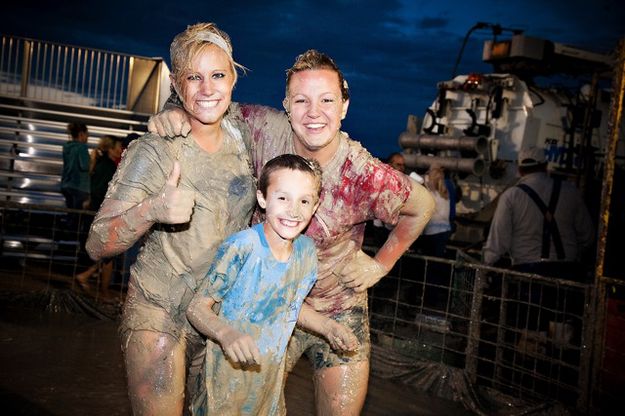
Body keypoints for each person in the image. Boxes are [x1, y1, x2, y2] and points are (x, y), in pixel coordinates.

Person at [149, 49, 435, 414]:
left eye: (327, 100)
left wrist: (381, 264)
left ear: (344, 106)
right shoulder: (263, 127)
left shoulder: (362, 173)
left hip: (336, 305)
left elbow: (423, 206)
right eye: (301, 100)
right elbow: (206, 99)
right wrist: (174, 108)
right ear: (286, 104)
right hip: (265, 302)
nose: (314, 113)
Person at [85, 23, 257, 415]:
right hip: (160, 307)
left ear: (233, 78)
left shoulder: (243, 136)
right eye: (194, 78)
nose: (207, 88)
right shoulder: (156, 149)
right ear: (178, 86)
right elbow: (96, 243)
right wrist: (153, 210)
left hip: (215, 313)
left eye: (217, 75)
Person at [187, 154, 357, 415]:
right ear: (262, 198)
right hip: (224, 385)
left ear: (315, 205)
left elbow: (289, 305)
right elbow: (197, 308)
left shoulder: (306, 252)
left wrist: (328, 326)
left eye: (304, 200)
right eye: (282, 198)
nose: (294, 210)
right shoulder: (242, 247)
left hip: (269, 385)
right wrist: (226, 333)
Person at [483, 147, 594, 279]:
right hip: (567, 272)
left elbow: (498, 242)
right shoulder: (571, 191)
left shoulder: (511, 196)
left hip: (526, 272)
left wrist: (486, 268)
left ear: (519, 169)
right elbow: (588, 236)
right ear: (545, 166)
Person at [76, 135, 123, 297]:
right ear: (110, 149)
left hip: (99, 213)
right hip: (103, 214)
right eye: (117, 147)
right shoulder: (108, 167)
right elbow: (100, 191)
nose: (120, 150)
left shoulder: (104, 164)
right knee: (109, 254)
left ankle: (91, 280)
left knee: (109, 253)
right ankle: (103, 292)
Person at [61, 122, 90, 229]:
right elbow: (85, 166)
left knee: (70, 214)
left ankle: (66, 236)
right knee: (77, 218)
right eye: (87, 134)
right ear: (81, 134)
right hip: (79, 186)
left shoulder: (67, 147)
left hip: (66, 184)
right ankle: (71, 239)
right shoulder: (82, 147)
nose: (88, 137)